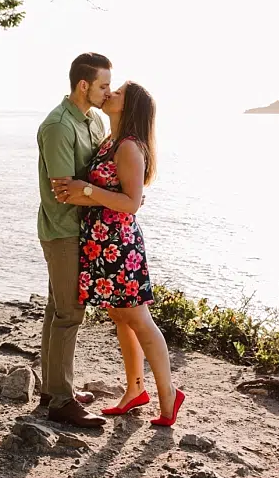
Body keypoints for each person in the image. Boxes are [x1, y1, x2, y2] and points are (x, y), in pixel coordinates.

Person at [52, 81, 186, 426]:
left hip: (119, 245)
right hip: (102, 243)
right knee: (121, 317)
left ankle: (168, 395)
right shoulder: (110, 141)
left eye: (119, 92)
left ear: (129, 107)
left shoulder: (128, 147)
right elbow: (100, 193)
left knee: (139, 319)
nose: (110, 93)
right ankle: (135, 389)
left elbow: (131, 203)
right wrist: (80, 193)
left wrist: (86, 190)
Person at [35, 52, 113, 428]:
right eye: (103, 85)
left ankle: (52, 390)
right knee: (69, 313)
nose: (108, 92)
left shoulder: (95, 120)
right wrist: (116, 199)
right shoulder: (58, 126)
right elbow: (65, 191)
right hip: (62, 229)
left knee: (57, 309)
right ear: (84, 85)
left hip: (81, 230)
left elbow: (91, 177)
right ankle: (62, 402)